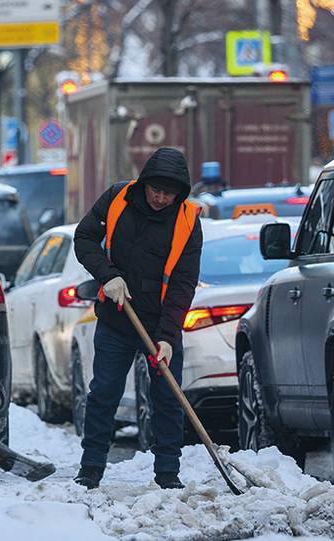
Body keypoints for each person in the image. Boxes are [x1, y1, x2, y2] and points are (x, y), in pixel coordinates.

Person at [73, 147, 202, 490]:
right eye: (155, 190)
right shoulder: (117, 198)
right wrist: (107, 275)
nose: (161, 198)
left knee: (167, 397)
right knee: (103, 393)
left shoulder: (188, 220)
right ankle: (91, 468)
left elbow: (183, 282)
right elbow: (84, 238)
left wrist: (168, 335)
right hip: (117, 320)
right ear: (144, 183)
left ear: (180, 192)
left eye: (169, 193)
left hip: (160, 324)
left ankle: (167, 472)